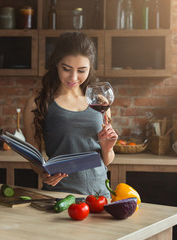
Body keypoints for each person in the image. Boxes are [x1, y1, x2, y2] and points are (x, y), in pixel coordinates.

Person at [23, 32, 118, 198]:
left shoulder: (101, 102)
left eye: (81, 70)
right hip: (59, 197)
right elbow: (34, 158)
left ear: (90, 68)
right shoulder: (37, 103)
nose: (73, 77)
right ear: (56, 64)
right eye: (66, 69)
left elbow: (107, 160)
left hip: (100, 196)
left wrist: (107, 147)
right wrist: (43, 173)